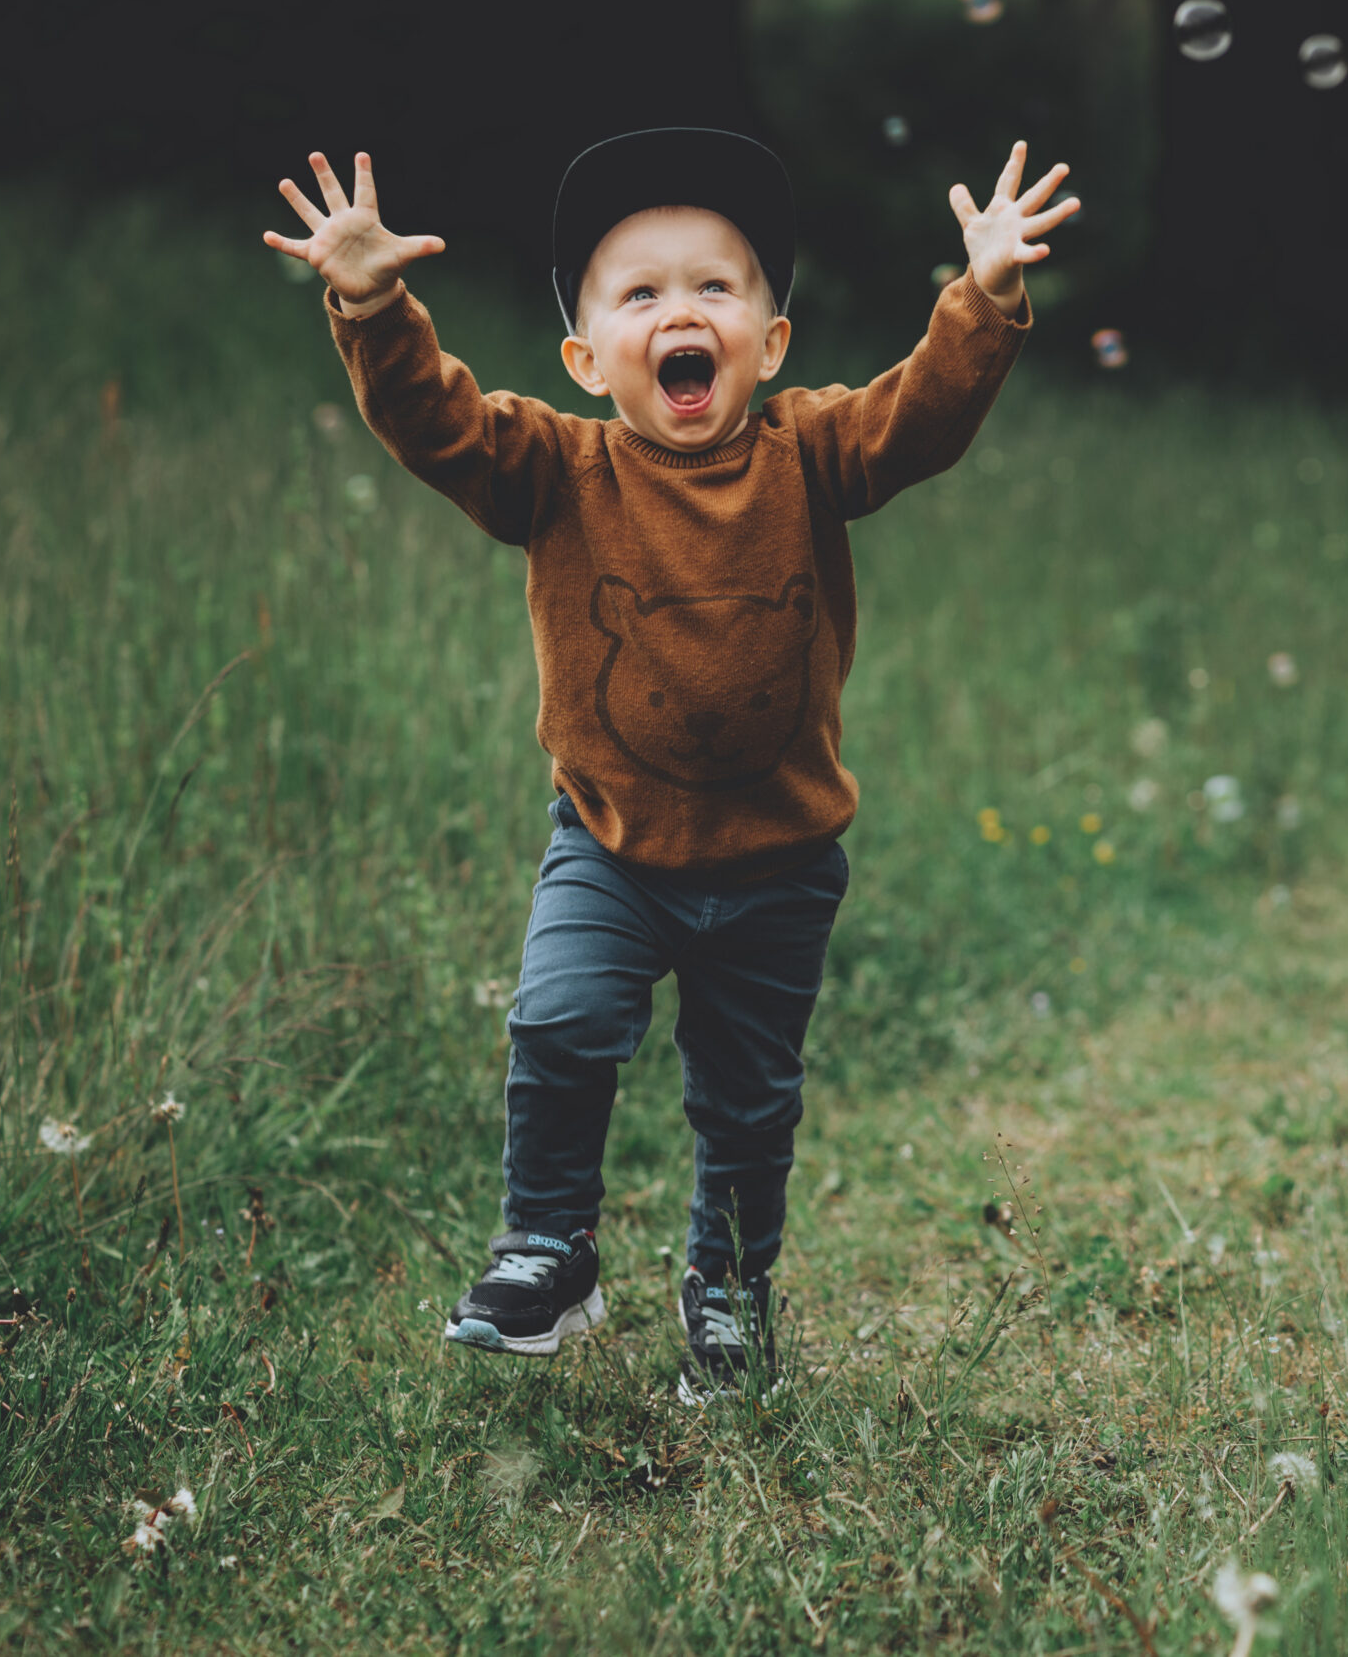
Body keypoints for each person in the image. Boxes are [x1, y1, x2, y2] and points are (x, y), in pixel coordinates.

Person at [264, 129, 1076, 1391]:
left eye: (714, 286)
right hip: (610, 844)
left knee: (748, 1102)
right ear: (587, 359)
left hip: (782, 857)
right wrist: (373, 304)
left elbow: (920, 418)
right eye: (639, 294)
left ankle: (731, 1290)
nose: (680, 311)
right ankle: (547, 1247)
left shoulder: (812, 449)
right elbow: (438, 423)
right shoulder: (554, 466)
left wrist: (984, 297)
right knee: (561, 1019)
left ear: (771, 340)